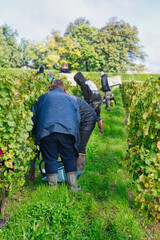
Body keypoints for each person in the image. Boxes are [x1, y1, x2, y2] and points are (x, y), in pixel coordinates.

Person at [31, 79, 81, 191]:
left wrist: (35, 133)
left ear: (51, 88)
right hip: (68, 131)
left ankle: (52, 189)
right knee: (69, 158)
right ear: (64, 88)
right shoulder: (71, 98)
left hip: (47, 131)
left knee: (50, 158)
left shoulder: (43, 97)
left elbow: (33, 117)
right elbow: (78, 119)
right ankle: (73, 187)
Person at [67, 95, 97, 171]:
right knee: (72, 144)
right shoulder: (63, 97)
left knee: (80, 146)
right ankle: (71, 169)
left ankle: (79, 171)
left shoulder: (68, 99)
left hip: (88, 119)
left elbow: (73, 117)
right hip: (79, 118)